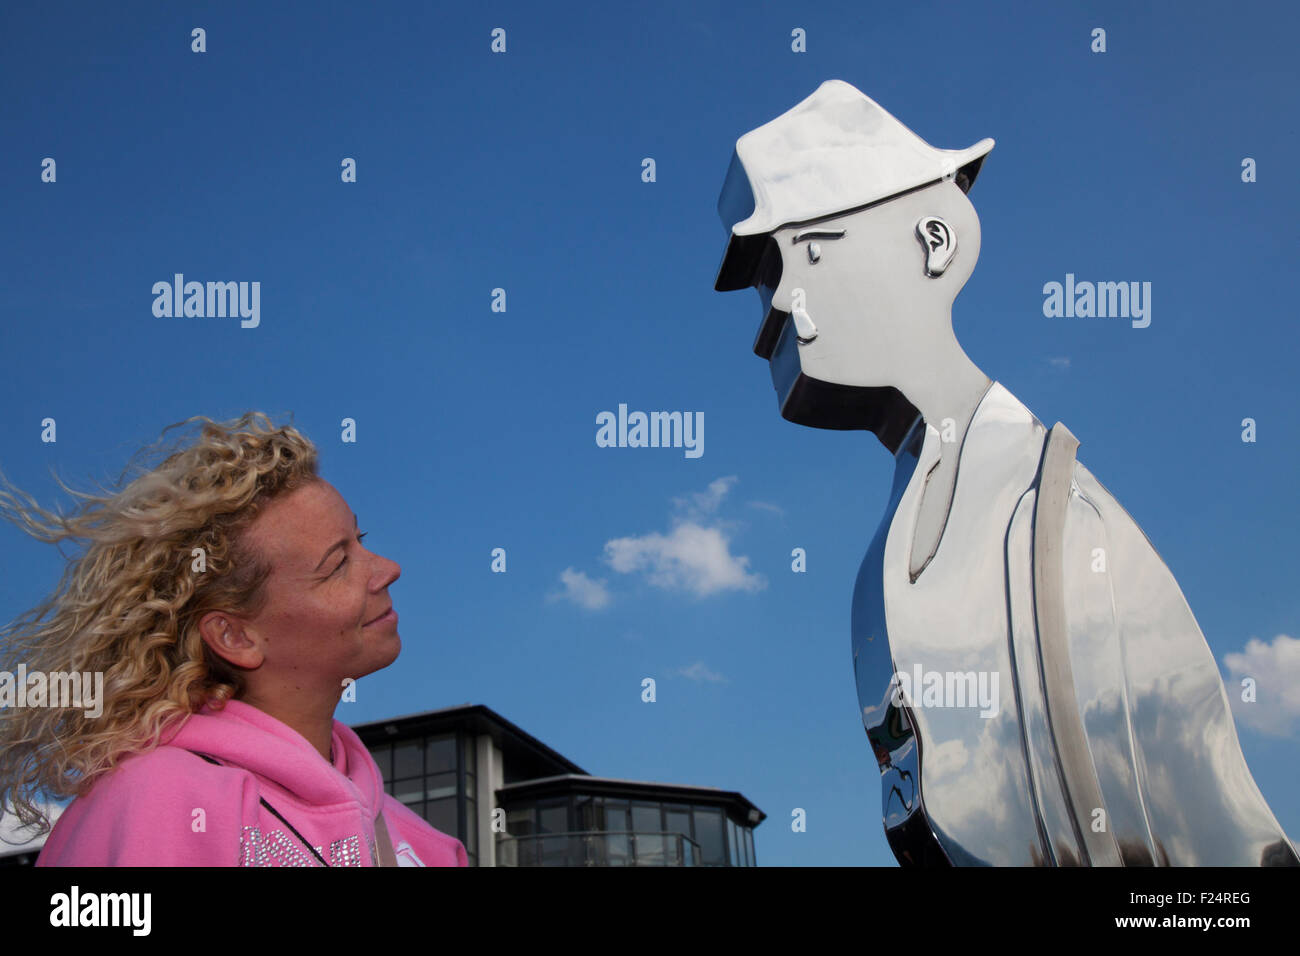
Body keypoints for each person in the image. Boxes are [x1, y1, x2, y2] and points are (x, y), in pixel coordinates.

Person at [713, 80, 1297, 865]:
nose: (779, 299)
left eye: (808, 249)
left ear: (934, 238)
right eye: (765, 273)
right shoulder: (888, 553)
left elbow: (1215, 852)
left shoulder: (1057, 522)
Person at [0, 411, 466, 866]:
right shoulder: (157, 804)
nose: (388, 569)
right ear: (235, 636)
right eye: (337, 565)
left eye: (361, 539)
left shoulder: (427, 846)